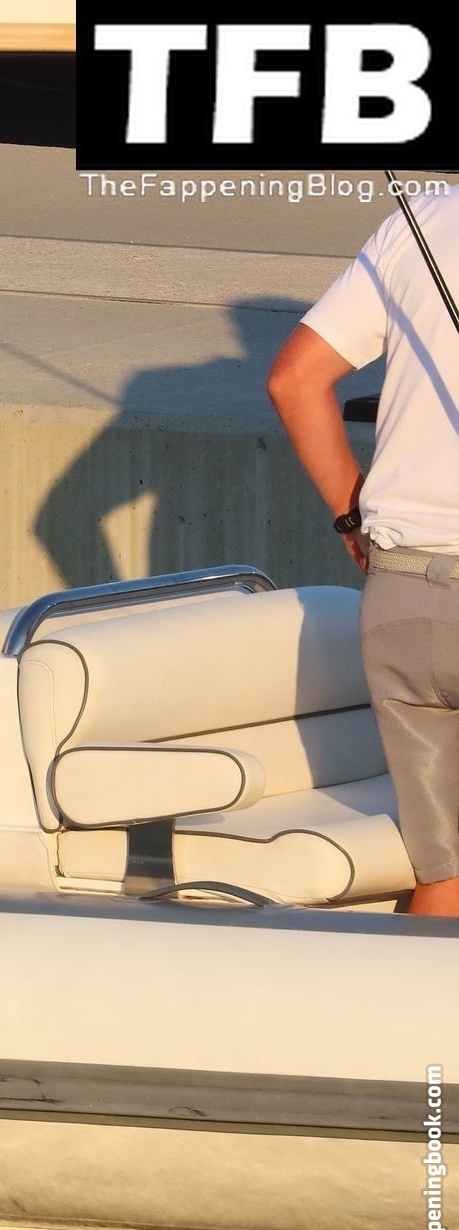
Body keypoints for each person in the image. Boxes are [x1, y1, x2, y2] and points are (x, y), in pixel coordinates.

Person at [267, 189, 459, 917]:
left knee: (445, 871)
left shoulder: (422, 219)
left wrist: (354, 515)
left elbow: (294, 379)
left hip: (403, 596)